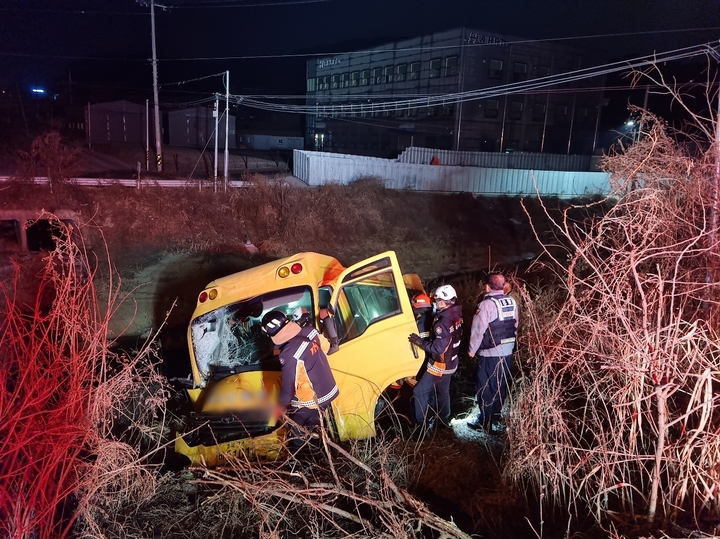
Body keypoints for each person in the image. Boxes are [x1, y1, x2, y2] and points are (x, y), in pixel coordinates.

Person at [261, 310, 339, 455]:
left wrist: (278, 407)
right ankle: (318, 456)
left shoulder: (289, 354)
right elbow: (329, 348)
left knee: (295, 433)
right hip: (329, 390)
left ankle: (297, 465)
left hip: (312, 399)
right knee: (314, 427)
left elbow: (288, 390)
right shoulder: (310, 332)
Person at [467, 273, 519, 432]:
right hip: (507, 351)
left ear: (487, 286)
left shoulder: (486, 305)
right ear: (503, 286)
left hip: (490, 353)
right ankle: (495, 415)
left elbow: (478, 330)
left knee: (485, 386)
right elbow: (515, 325)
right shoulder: (511, 301)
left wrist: (471, 350)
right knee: (500, 384)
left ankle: (484, 421)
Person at [408, 285, 463, 433]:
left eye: (437, 300)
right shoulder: (456, 315)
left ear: (442, 301)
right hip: (452, 362)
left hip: (440, 365)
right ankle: (443, 422)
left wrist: (420, 342)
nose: (436, 302)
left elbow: (438, 348)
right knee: (442, 392)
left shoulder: (442, 323)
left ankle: (422, 426)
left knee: (419, 391)